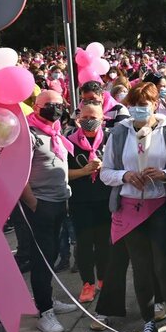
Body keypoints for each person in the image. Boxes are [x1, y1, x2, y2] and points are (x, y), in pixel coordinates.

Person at [100, 82, 166, 332]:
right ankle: (148, 323)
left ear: (154, 104)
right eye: (134, 104)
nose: (139, 109)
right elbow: (106, 172)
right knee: (140, 269)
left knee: (163, 267)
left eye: (145, 103)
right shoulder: (118, 132)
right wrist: (125, 176)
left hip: (160, 206)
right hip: (128, 207)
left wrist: (164, 174)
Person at [22, 90, 79, 332]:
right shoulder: (28, 134)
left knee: (53, 254)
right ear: (36, 107)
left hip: (59, 202)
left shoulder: (55, 132)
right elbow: (19, 174)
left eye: (59, 104)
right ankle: (44, 311)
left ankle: (48, 299)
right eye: (49, 104)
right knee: (41, 258)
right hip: (41, 204)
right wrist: (33, 203)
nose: (55, 108)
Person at [67, 102, 111, 306]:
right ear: (78, 118)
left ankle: (103, 277)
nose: (89, 121)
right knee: (84, 244)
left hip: (105, 200)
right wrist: (84, 171)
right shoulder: (69, 142)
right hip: (80, 201)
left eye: (93, 117)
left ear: (103, 119)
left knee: (104, 243)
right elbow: (63, 174)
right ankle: (87, 283)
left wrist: (106, 169)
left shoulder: (110, 139)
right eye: (84, 117)